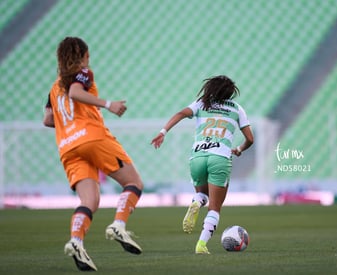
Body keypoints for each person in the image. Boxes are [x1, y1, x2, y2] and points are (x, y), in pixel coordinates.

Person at [43, 37, 144, 271]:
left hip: (68, 147)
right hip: (92, 137)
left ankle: (76, 241)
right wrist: (108, 104)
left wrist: (69, 127)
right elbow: (76, 93)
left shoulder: (53, 88)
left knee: (90, 201)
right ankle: (119, 225)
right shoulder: (84, 73)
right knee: (134, 182)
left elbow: (48, 119)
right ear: (84, 56)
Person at [151, 75, 254, 254]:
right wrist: (238, 149)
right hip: (220, 157)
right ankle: (201, 244)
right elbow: (250, 139)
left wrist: (163, 131)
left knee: (202, 194)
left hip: (197, 156)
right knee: (215, 206)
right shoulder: (237, 109)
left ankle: (197, 201)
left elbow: (181, 114)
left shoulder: (201, 104)